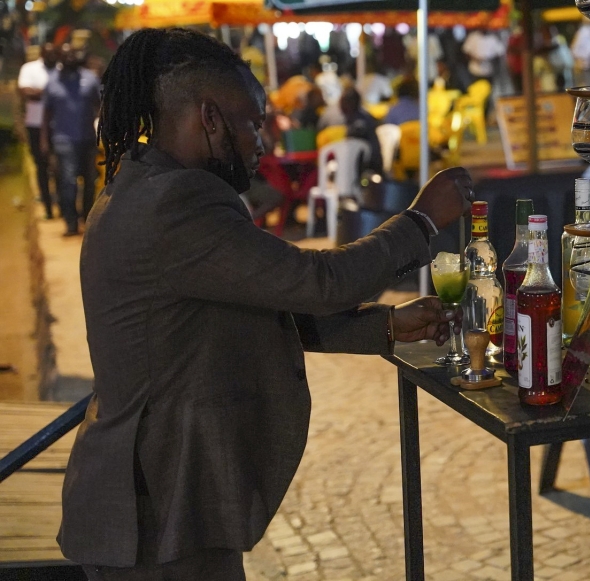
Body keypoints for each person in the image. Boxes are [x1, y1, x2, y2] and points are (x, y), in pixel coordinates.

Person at [60, 28, 472, 579]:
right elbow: (314, 281)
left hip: (158, 505)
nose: (264, 141)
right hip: (156, 508)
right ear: (210, 118)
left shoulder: (146, 186)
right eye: (253, 122)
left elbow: (253, 304)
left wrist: (387, 327)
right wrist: (419, 222)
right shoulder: (175, 204)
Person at [42, 44, 100, 236]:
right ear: (60, 58)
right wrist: (44, 140)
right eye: (65, 56)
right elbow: (46, 114)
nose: (69, 59)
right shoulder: (52, 83)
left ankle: (88, 218)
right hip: (63, 140)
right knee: (68, 181)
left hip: (88, 139)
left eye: (72, 55)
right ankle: (71, 222)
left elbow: (100, 106)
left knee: (90, 181)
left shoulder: (90, 79)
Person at [18, 42, 58, 219]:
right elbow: (25, 91)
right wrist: (51, 93)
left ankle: (61, 204)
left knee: (59, 166)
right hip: (35, 124)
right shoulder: (30, 68)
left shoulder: (61, 68)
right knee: (41, 166)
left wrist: (40, 93)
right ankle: (48, 207)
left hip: (58, 125)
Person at [339, 86, 383, 172]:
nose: (340, 105)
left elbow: (353, 148)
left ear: (350, 103)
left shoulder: (360, 122)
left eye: (342, 102)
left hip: (368, 167)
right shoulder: (353, 118)